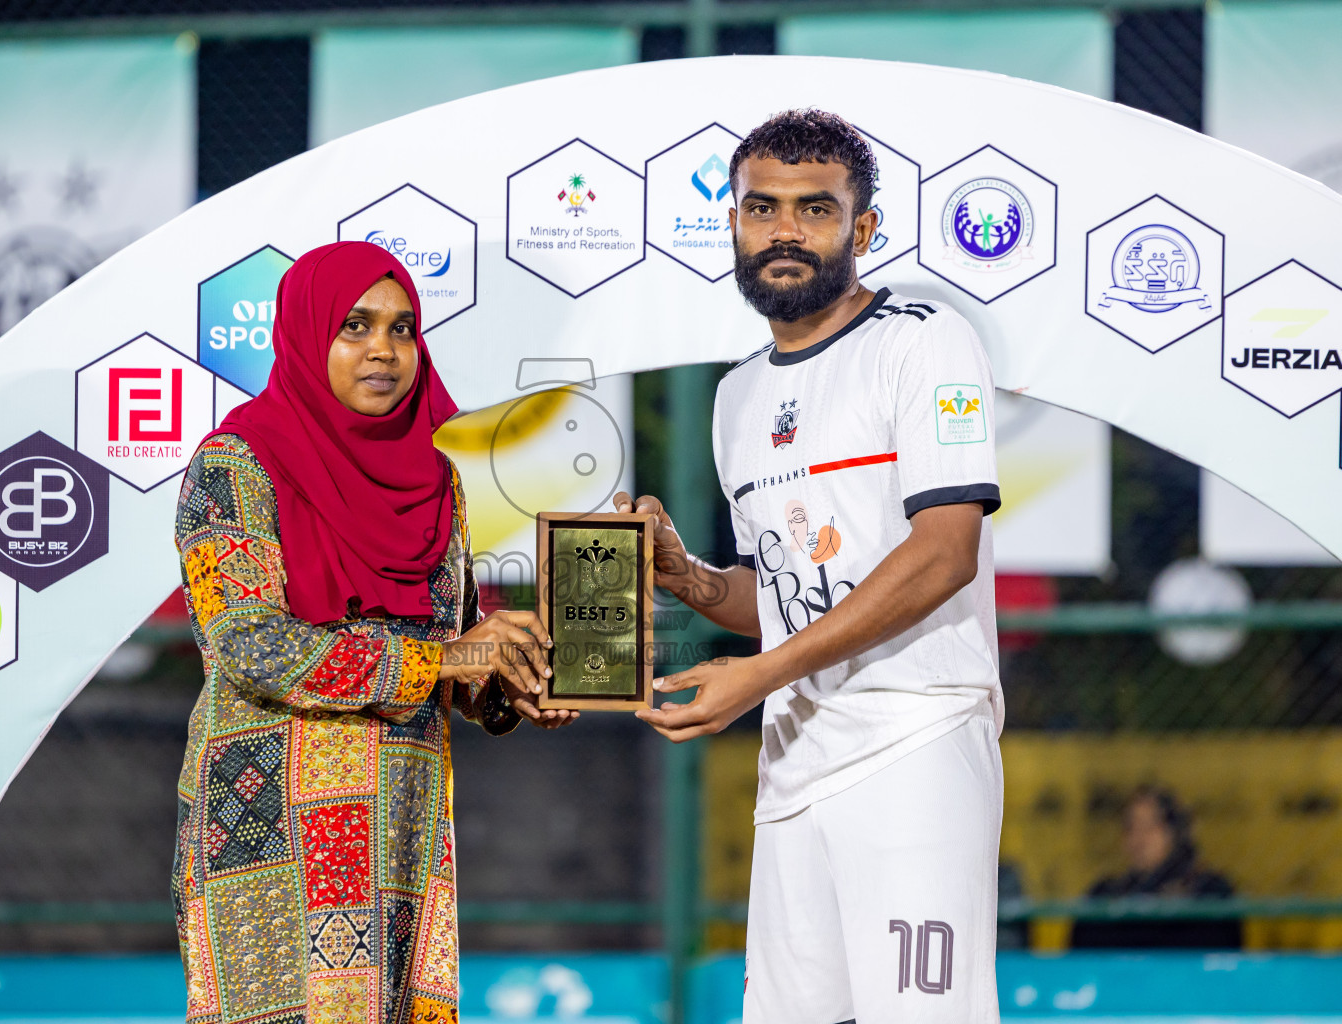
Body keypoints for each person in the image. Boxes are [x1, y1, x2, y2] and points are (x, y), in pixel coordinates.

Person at [618, 110, 1005, 1022]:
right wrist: (692, 579)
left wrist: (759, 676)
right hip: (794, 760)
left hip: (916, 739)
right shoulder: (737, 393)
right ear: (734, 223)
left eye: (815, 209)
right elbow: (781, 596)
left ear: (861, 229)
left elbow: (945, 553)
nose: (785, 230)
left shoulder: (922, 341)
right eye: (763, 208)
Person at [171, 241, 574, 1024]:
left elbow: (449, 651)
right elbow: (250, 646)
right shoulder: (237, 464)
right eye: (354, 326)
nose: (384, 350)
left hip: (403, 826)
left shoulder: (438, 479)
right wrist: (449, 657)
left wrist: (513, 686)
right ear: (305, 333)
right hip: (272, 835)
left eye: (401, 328)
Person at [1072, 786, 1240, 950]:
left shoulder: (1207, 890)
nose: (1139, 838)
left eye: (1150, 827)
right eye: (1130, 827)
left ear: (1174, 833)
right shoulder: (1107, 892)